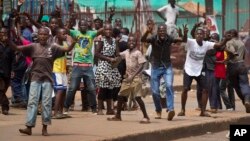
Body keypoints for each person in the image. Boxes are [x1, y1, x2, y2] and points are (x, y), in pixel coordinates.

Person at [8, 27, 76, 136]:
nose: (43, 36)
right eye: (41, 34)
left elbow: (67, 49)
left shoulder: (53, 47)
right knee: (32, 102)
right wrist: (8, 40)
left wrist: (73, 43)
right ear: (38, 35)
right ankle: (29, 127)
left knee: (46, 103)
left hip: (48, 79)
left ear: (48, 36)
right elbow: (17, 47)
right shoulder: (33, 47)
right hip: (35, 78)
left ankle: (45, 127)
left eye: (45, 35)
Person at [177, 27, 231, 117]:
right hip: (189, 69)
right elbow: (184, 39)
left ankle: (203, 111)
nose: (199, 35)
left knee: (205, 89)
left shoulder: (207, 44)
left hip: (199, 70)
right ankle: (182, 109)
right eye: (197, 34)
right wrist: (185, 33)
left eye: (201, 34)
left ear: (204, 36)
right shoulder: (191, 42)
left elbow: (219, 45)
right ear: (195, 35)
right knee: (185, 89)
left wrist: (225, 39)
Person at [141, 23, 186, 121]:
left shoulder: (169, 38)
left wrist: (185, 33)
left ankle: (170, 109)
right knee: (155, 91)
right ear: (158, 32)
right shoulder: (153, 38)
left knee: (169, 86)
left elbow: (183, 40)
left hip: (167, 66)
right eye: (160, 31)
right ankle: (158, 110)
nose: (162, 33)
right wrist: (147, 31)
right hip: (156, 67)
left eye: (164, 31)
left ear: (166, 32)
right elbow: (143, 39)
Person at [107, 35, 150, 123]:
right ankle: (118, 116)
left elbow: (142, 65)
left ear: (136, 43)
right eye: (129, 41)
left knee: (138, 97)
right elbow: (118, 54)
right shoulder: (126, 52)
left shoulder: (138, 53)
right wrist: (116, 43)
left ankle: (146, 117)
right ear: (127, 43)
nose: (131, 43)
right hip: (127, 78)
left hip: (136, 78)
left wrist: (133, 76)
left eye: (133, 41)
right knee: (120, 96)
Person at [95, 23, 121, 115]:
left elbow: (117, 53)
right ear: (103, 30)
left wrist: (117, 58)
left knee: (110, 88)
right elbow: (97, 54)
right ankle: (99, 109)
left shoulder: (114, 41)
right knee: (103, 87)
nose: (108, 31)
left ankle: (109, 109)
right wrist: (108, 58)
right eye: (106, 30)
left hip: (111, 66)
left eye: (110, 30)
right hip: (103, 65)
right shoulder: (101, 40)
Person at [225, 29, 250, 113]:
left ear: (231, 35)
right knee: (245, 84)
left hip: (232, 66)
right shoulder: (241, 42)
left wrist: (234, 52)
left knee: (236, 86)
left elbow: (231, 49)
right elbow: (244, 54)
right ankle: (247, 100)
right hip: (242, 65)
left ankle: (244, 101)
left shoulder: (229, 42)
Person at [0, 27, 15, 115]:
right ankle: (5, 106)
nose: (3, 34)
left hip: (7, 71)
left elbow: (13, 59)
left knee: (3, 90)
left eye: (5, 33)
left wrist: (13, 70)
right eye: (1, 33)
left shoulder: (10, 46)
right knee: (0, 89)